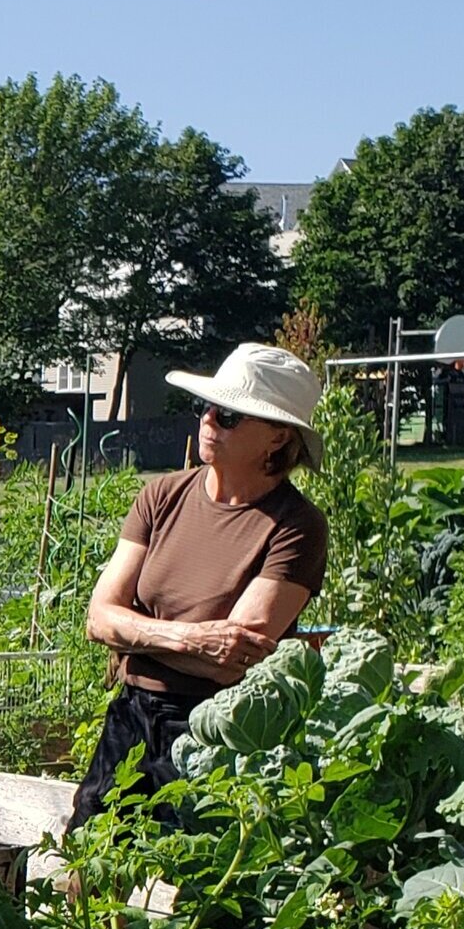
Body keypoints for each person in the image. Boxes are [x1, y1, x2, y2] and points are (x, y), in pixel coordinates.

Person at [72, 343, 329, 825]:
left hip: (214, 728)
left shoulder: (296, 525)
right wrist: (190, 638)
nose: (208, 419)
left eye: (229, 415)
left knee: (195, 870)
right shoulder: (162, 495)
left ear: (276, 437)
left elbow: (230, 663)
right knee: (88, 861)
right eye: (205, 407)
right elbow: (98, 617)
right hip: (129, 715)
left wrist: (134, 637)